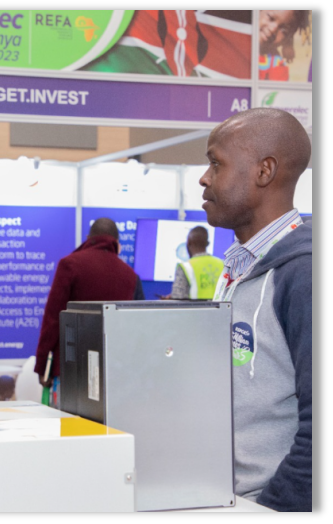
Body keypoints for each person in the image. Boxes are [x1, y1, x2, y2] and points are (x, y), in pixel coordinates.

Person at [200, 108, 312, 512]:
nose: (204, 178)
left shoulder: (302, 274)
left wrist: (272, 505)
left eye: (216, 163)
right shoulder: (238, 266)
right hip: (225, 496)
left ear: (264, 171)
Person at [34, 218, 145, 406]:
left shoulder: (69, 265)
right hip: (113, 372)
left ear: (88, 238)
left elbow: (53, 319)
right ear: (117, 244)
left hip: (71, 370)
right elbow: (136, 328)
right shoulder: (130, 276)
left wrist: (42, 365)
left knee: (68, 423)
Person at [170, 226, 224, 300]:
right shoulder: (223, 264)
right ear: (207, 243)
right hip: (222, 308)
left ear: (188, 243)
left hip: (195, 308)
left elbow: (178, 300)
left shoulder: (185, 267)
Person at [259, 10, 310, 81]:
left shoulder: (277, 65)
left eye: (284, 31)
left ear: (288, 38)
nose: (273, 29)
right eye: (271, 18)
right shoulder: (242, 44)